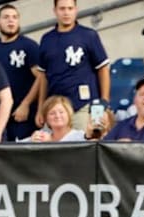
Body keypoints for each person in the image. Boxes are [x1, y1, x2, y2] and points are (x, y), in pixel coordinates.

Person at [36, 0, 110, 131]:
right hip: (55, 108)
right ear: (55, 11)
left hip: (85, 106)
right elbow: (43, 76)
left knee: (87, 144)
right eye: (62, 9)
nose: (66, 13)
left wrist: (104, 102)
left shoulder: (89, 35)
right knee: (53, 149)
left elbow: (103, 69)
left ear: (76, 10)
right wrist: (41, 108)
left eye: (70, 8)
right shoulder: (46, 39)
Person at [0, 4, 41, 141]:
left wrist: (26, 104)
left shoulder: (29, 46)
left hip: (22, 116)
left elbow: (41, 78)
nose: (11, 21)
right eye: (6, 17)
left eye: (15, 17)